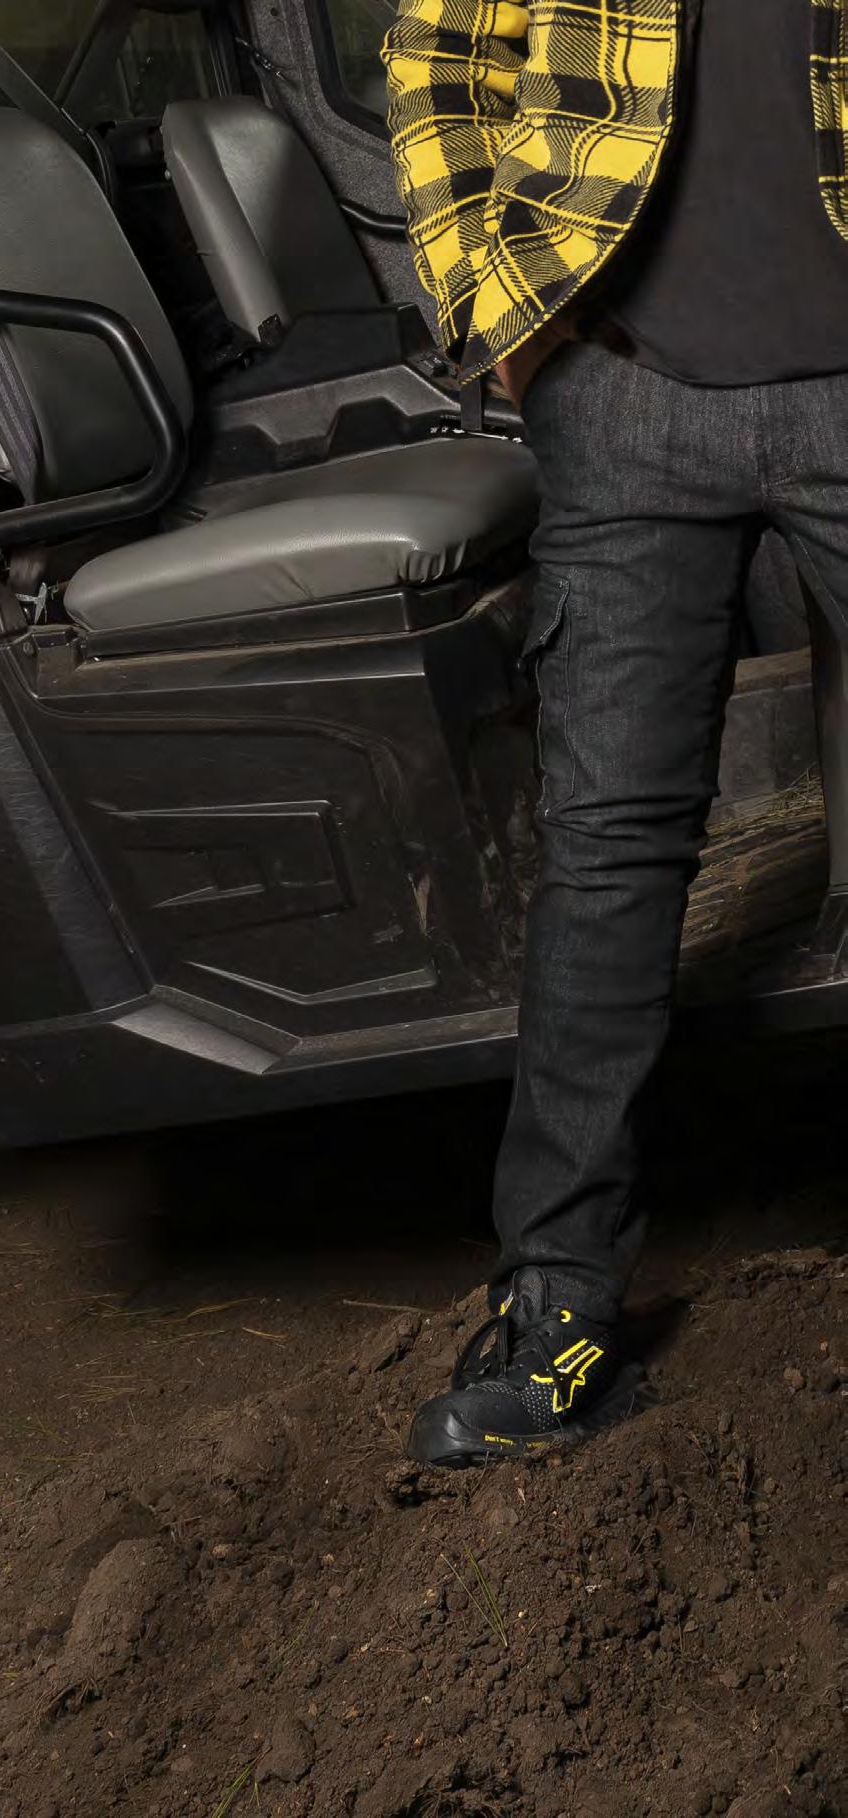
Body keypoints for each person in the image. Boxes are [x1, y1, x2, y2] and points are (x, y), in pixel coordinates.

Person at [384, 0, 848, 1467]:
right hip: (623, 393)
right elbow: (439, 57)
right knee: (607, 853)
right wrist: (515, 324)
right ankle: (558, 1316)